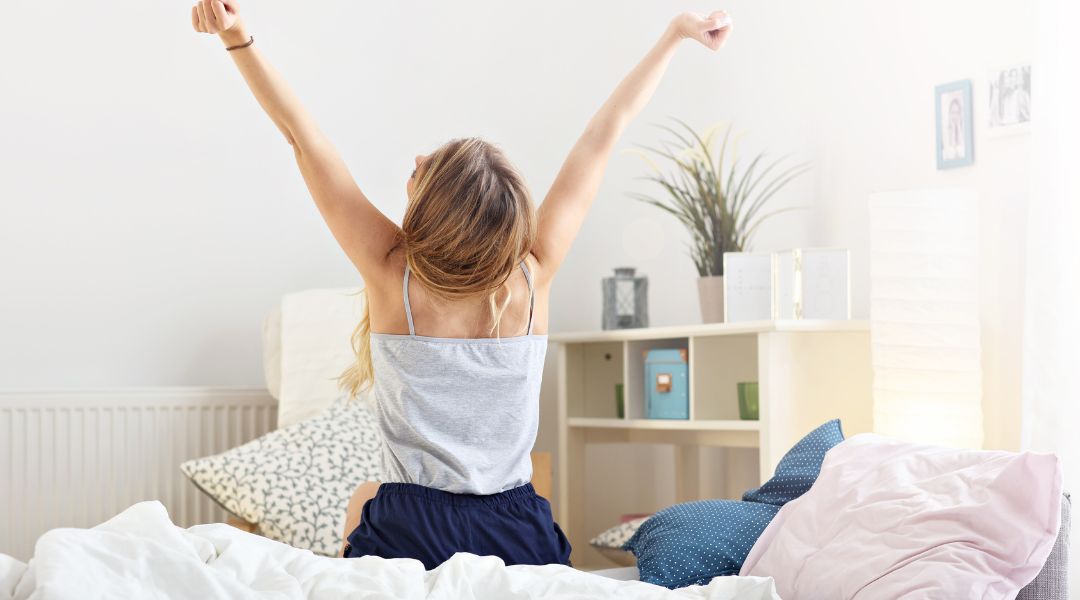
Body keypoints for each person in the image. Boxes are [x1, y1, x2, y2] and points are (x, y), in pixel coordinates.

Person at [190, 0, 731, 569]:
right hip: (516, 528)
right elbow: (603, 138)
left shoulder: (390, 272)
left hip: (409, 526)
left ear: (430, 213)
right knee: (371, 500)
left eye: (426, 168)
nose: (417, 158)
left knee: (361, 501)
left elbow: (303, 139)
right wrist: (673, 37)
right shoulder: (533, 274)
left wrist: (238, 38)